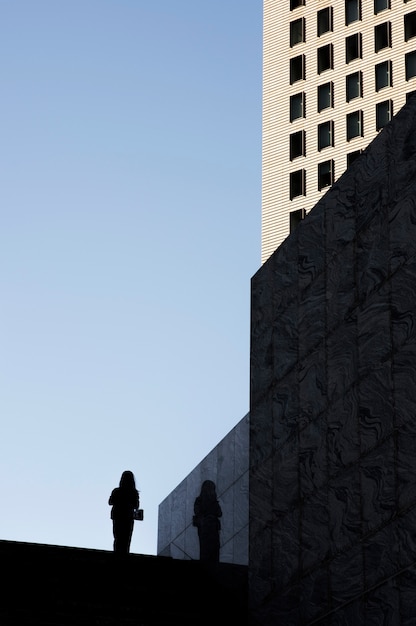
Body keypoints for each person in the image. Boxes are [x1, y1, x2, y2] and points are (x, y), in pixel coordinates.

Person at [108, 470, 139, 554]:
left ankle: (117, 553)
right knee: (126, 538)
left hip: (118, 516)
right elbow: (136, 505)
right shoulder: (133, 492)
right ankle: (125, 554)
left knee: (118, 537)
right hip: (128, 517)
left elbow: (110, 502)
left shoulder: (117, 491)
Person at [193, 480, 222, 563]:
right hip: (208, 528)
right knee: (210, 549)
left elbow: (219, 513)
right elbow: (219, 513)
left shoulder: (201, 500)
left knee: (208, 549)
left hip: (208, 528)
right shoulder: (210, 501)